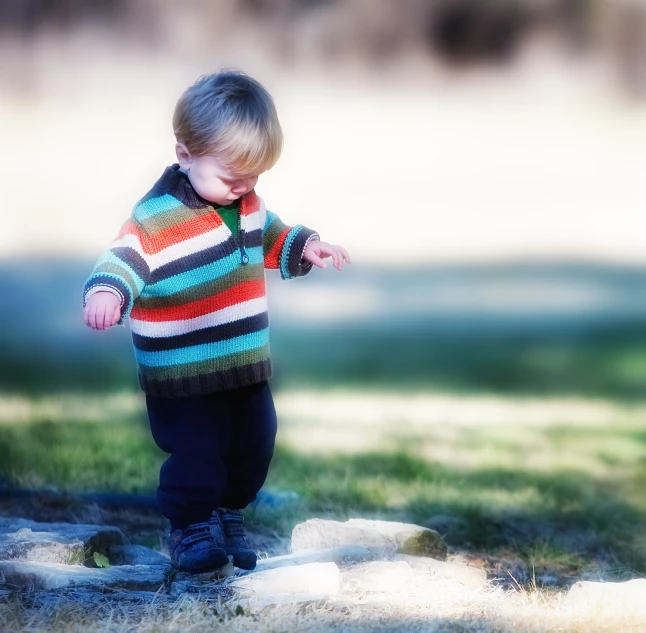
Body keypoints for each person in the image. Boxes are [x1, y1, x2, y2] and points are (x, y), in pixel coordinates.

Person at [82, 70, 351, 574]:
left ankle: (229, 514)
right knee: (197, 452)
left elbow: (268, 233)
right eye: (232, 177)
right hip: (182, 374)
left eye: (253, 178)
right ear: (185, 154)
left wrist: (304, 246)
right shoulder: (156, 219)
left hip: (243, 362)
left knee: (256, 442)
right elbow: (122, 259)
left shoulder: (246, 204)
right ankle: (190, 526)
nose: (243, 189)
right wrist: (106, 292)